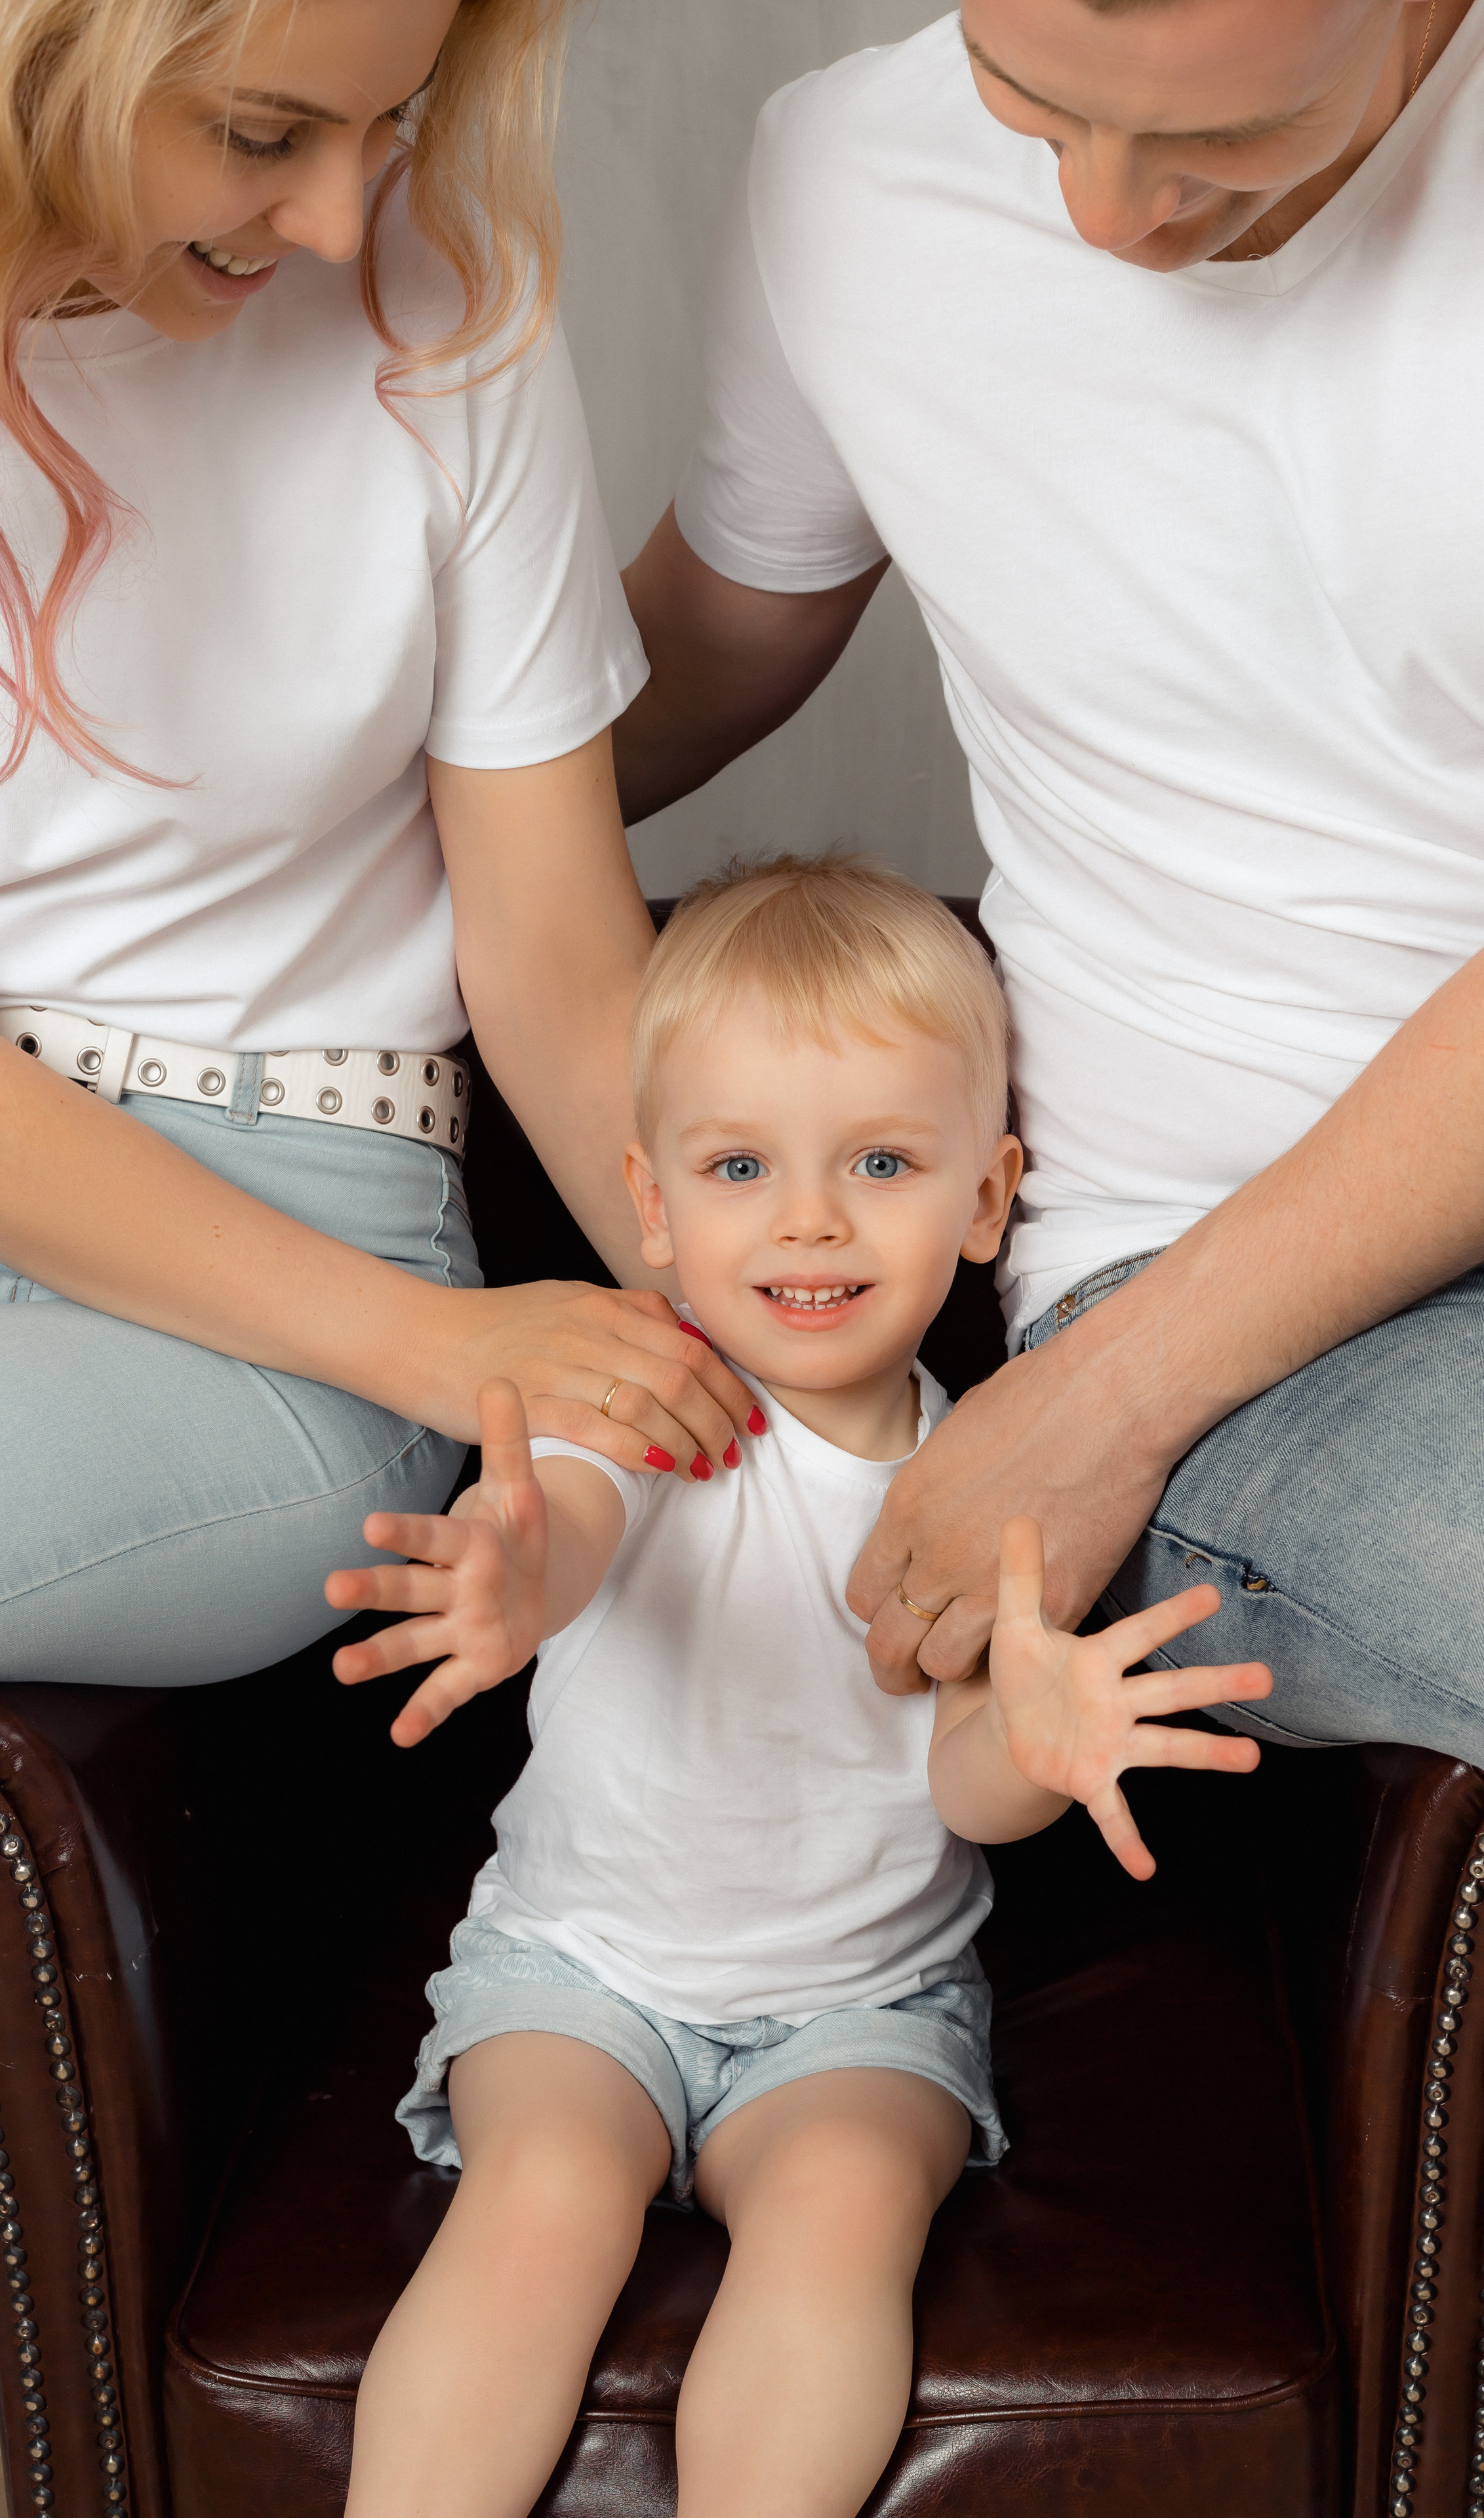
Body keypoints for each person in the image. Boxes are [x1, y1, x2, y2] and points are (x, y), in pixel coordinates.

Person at [610, 0, 1484, 2388]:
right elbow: (700, 644)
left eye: (1211, 135)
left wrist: (1088, 1423)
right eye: (1034, 102)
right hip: (1256, 1331)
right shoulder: (842, 176)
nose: (1101, 218)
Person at [323, 854, 1272, 2518]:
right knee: (543, 2196)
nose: (809, 1219)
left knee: (843, 2215)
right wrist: (501, 1581)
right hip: (582, 1976)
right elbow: (565, 1529)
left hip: (862, 2009)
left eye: (883, 1163)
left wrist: (1038, 1744)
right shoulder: (643, 1408)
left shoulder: (988, 1480)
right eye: (740, 1166)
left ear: (986, 1201)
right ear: (653, 1203)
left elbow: (958, 1784)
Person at [0, 0, 757, 1691]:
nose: (344, 222)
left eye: (390, 121)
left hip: (310, 1282)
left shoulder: (440, 301)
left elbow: (556, 958)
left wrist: (769, 1356)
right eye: (262, 137)